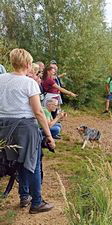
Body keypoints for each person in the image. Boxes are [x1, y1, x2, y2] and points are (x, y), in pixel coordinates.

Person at [0, 48, 55, 214]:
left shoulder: (1, 79)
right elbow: (38, 112)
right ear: (28, 64)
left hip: (3, 127)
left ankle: (24, 196)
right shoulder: (29, 83)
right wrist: (49, 135)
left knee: (13, 162)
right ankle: (36, 202)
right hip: (25, 128)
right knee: (32, 163)